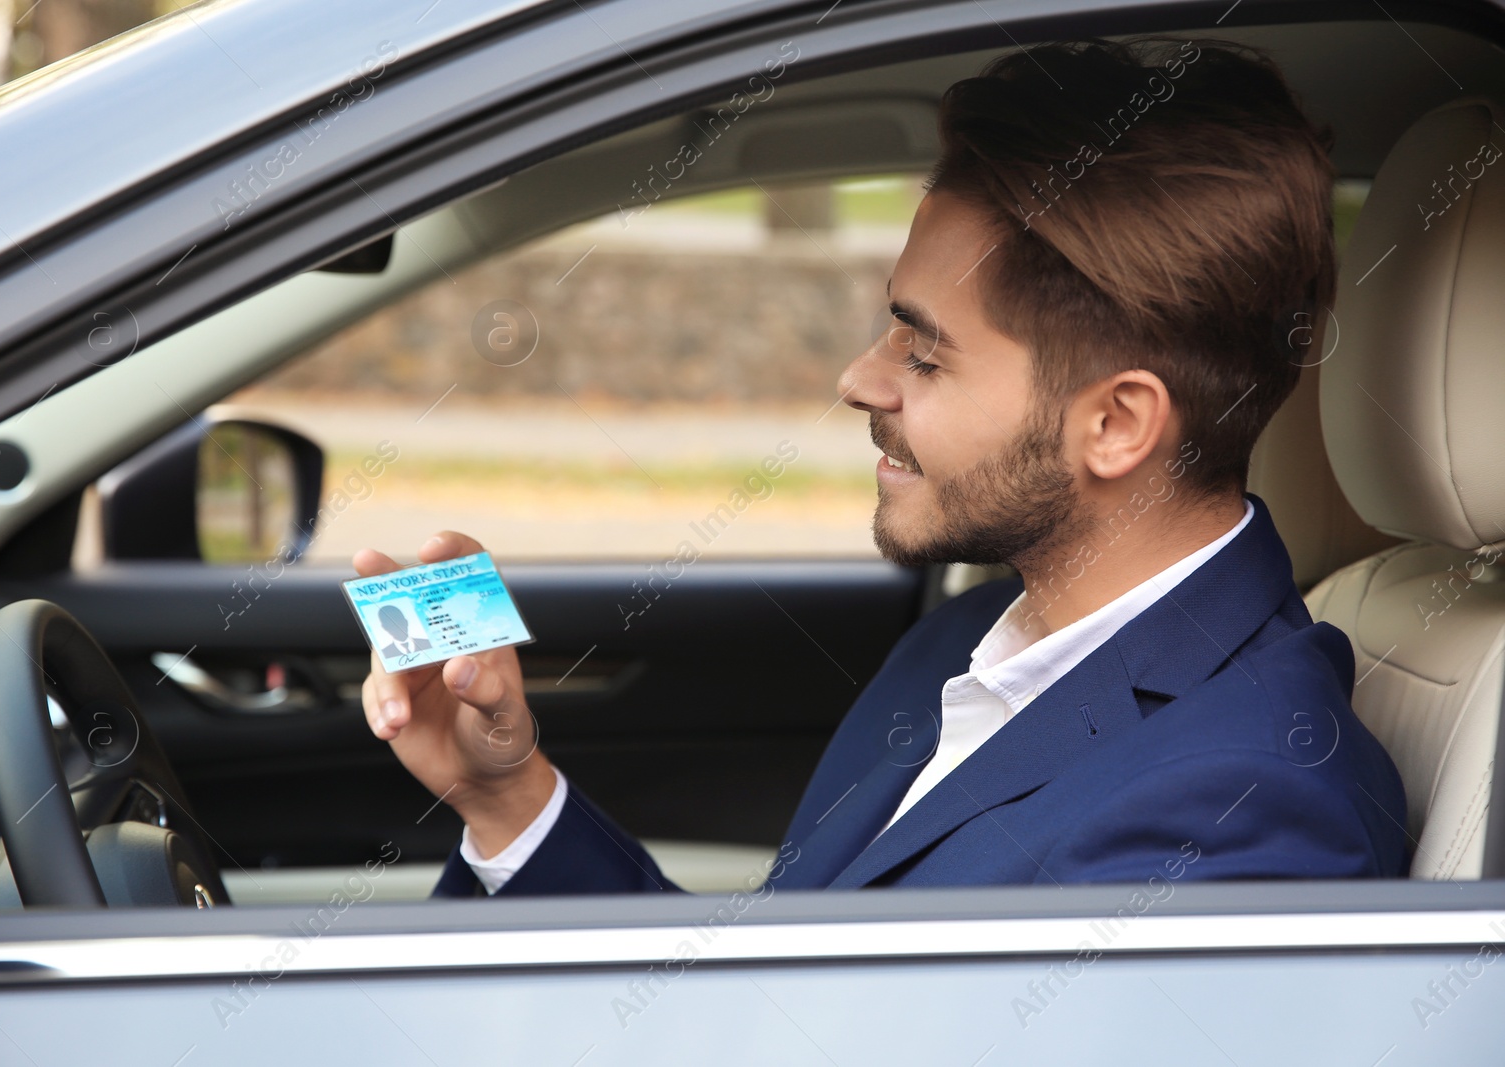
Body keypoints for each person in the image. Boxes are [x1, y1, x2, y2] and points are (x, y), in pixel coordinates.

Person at [355, 37, 1408, 896]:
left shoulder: (1249, 809)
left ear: (1117, 425)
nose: (861, 378)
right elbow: (759, 1009)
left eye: (924, 349)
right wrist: (508, 797)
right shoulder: (966, 638)